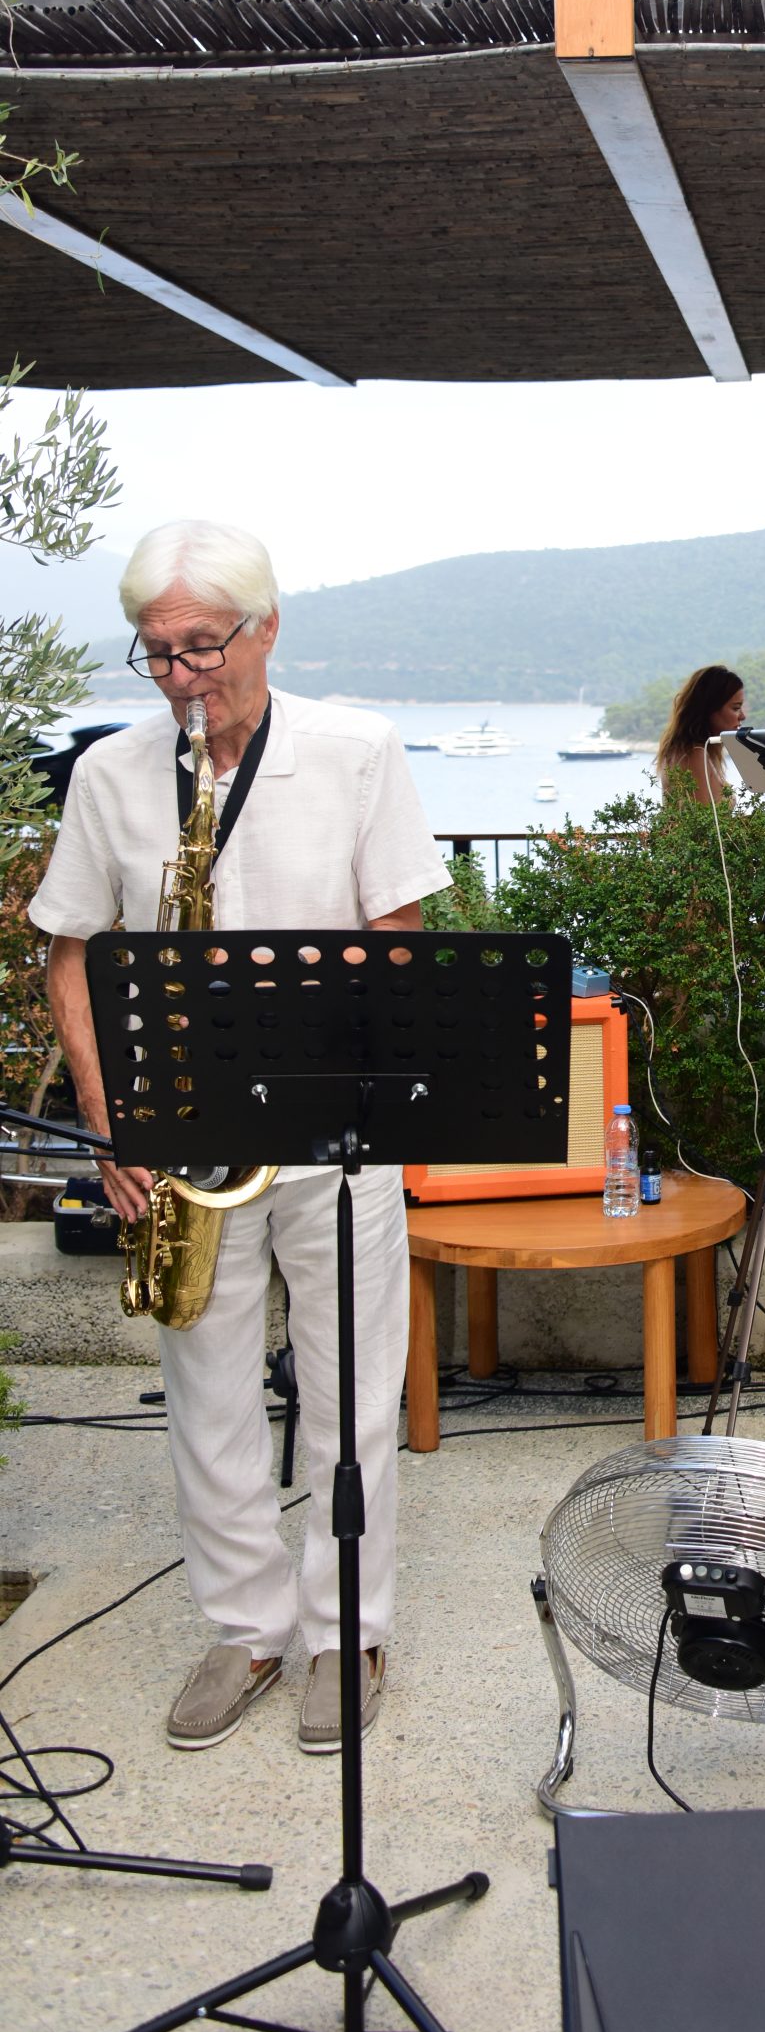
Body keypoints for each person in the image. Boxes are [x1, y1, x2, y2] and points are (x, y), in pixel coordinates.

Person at [29, 520, 449, 1751]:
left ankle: (345, 1629)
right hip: (182, 1133)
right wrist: (114, 1127)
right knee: (202, 1392)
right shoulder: (113, 775)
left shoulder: (355, 750)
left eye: (201, 647)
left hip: (332, 1129)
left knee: (350, 1388)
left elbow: (400, 933)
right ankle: (246, 1627)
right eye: (154, 655)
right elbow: (71, 956)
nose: (178, 678)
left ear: (266, 627)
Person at [656, 665, 746, 804]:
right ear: (710, 708)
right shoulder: (694, 754)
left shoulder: (700, 751)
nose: (743, 716)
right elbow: (703, 821)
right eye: (736, 708)